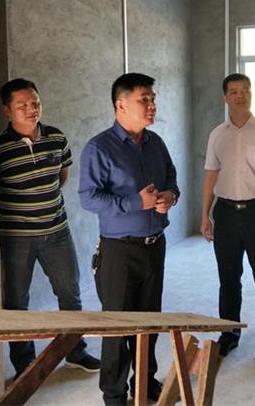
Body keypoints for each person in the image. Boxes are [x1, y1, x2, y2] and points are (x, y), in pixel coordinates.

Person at [79, 73, 179, 406]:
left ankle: (145, 382)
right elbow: (88, 198)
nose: (152, 105)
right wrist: (137, 202)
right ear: (120, 105)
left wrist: (170, 196)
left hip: (154, 246)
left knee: (149, 321)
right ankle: (114, 394)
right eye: (144, 100)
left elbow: (171, 179)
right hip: (119, 251)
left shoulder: (155, 143)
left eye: (153, 99)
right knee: (117, 326)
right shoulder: (99, 147)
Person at [0, 78, 100, 377]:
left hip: (57, 232)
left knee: (70, 294)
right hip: (17, 238)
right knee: (17, 303)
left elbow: (62, 177)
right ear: (7, 110)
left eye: (36, 103)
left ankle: (75, 352)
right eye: (23, 105)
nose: (32, 109)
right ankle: (25, 365)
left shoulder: (56, 138)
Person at [201, 73, 255, 368]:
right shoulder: (217, 134)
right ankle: (229, 335)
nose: (240, 95)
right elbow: (211, 175)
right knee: (228, 279)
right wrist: (205, 215)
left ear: (251, 94)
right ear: (225, 97)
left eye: (245, 90)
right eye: (234, 91)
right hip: (225, 213)